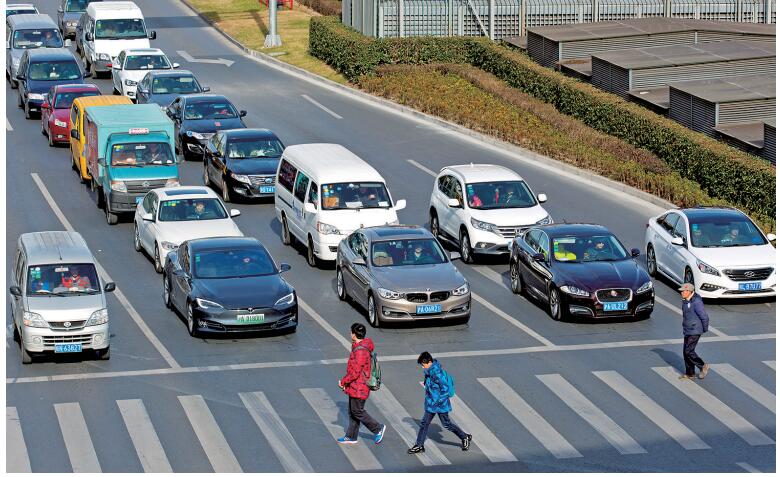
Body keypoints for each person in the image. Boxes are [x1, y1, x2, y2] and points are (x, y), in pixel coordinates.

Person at [408, 352, 471, 454]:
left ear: (429, 362)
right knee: (424, 424)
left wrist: (437, 402)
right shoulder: (429, 372)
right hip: (431, 404)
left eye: (423, 365)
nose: (422, 367)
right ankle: (419, 445)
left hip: (440, 405)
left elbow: (445, 390)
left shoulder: (437, 374)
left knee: (447, 424)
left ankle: (465, 437)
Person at [337, 323, 386, 445]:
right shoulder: (359, 346)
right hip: (355, 385)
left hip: (359, 386)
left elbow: (355, 372)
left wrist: (343, 381)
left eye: (351, 332)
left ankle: (378, 428)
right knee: (353, 411)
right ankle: (351, 436)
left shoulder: (360, 351)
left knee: (357, 411)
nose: (350, 334)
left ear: (354, 334)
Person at [679, 283, 710, 380]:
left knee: (689, 351)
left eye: (683, 291)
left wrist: (704, 329)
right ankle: (690, 373)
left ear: (689, 291)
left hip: (695, 330)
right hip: (687, 330)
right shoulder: (685, 300)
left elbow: (704, 317)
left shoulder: (696, 302)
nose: (681, 293)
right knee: (685, 352)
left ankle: (702, 365)